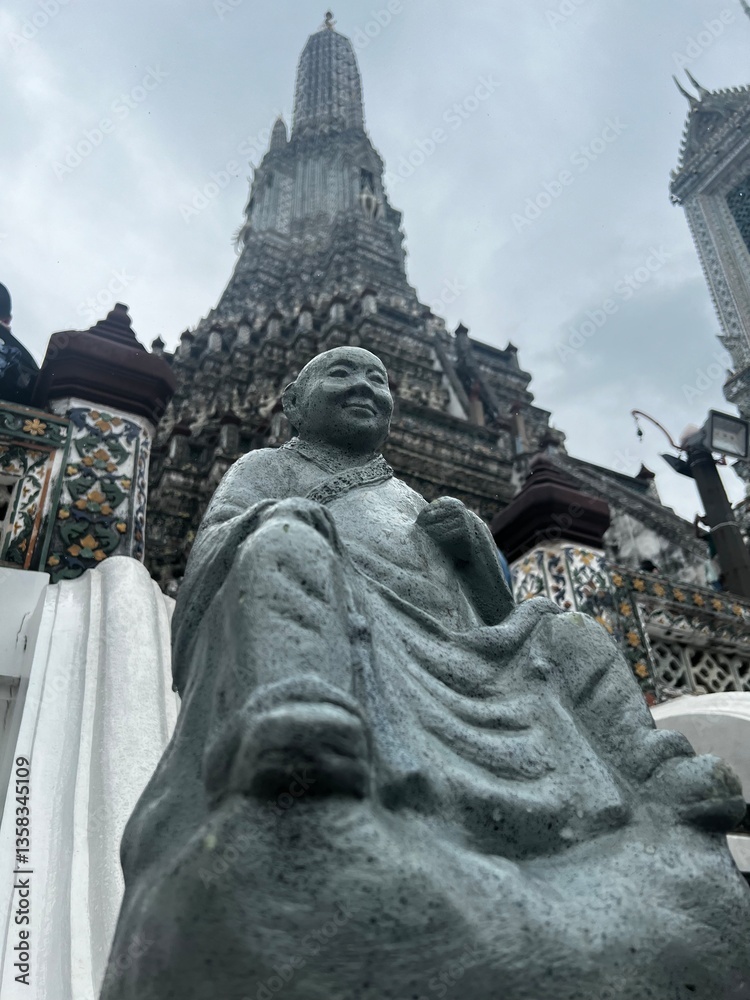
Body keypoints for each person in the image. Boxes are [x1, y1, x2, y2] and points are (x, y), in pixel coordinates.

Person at [102, 347, 750, 1000]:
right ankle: (296, 714)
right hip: (352, 641)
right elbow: (215, 554)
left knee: (571, 631)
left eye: (379, 380)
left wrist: (473, 554)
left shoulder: (404, 494)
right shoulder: (263, 468)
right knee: (278, 543)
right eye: (342, 375)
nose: (364, 387)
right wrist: (287, 515)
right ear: (294, 406)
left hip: (453, 653)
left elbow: (489, 609)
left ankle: (653, 767)